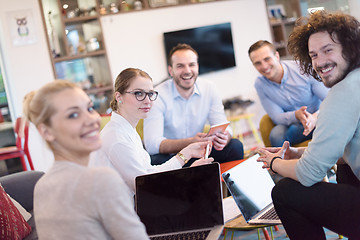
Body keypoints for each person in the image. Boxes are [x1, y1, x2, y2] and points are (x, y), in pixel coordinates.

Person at [257, 10, 360, 239]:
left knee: (284, 191)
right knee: (344, 166)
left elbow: (309, 174)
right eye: (313, 55)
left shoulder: (343, 93)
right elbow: (350, 147)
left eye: (328, 50)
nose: (319, 62)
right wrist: (300, 152)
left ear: (350, 47)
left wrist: (273, 163)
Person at [24, 80, 149, 239]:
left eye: (90, 108)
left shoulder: (41, 185)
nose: (92, 119)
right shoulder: (101, 180)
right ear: (46, 131)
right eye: (73, 115)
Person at [89, 68, 213, 196]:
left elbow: (148, 173)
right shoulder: (117, 137)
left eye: (150, 94)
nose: (147, 100)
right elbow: (147, 187)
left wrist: (187, 153)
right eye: (139, 93)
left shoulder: (126, 130)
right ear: (119, 97)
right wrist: (190, 174)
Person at [143, 43, 244, 165]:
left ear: (197, 66)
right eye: (180, 66)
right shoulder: (157, 96)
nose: (187, 71)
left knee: (235, 146)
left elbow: (222, 125)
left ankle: (224, 183)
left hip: (200, 152)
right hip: (172, 158)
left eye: (191, 65)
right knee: (154, 161)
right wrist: (190, 142)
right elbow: (152, 145)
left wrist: (224, 138)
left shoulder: (209, 88)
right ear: (171, 70)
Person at [248, 40, 329, 147]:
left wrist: (314, 118)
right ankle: (280, 163)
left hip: (319, 118)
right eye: (258, 63)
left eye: (267, 59)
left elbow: (330, 99)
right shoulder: (260, 85)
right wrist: (296, 115)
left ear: (276, 56)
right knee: (276, 134)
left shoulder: (303, 69)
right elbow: (277, 116)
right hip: (293, 124)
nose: (264, 66)